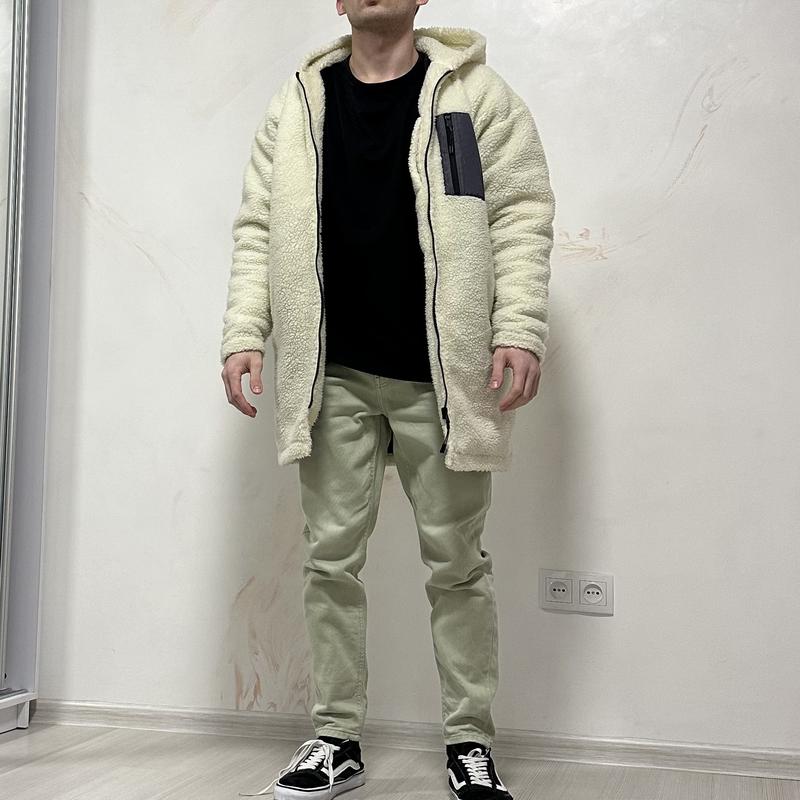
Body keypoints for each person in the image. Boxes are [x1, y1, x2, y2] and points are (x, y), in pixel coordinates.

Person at [221, 2, 555, 798]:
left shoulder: (475, 97)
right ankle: (335, 738)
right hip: (329, 374)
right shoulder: (298, 101)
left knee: (458, 566)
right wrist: (243, 330)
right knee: (329, 561)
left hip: (443, 379)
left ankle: (469, 744)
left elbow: (520, 213)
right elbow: (258, 224)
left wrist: (519, 326)